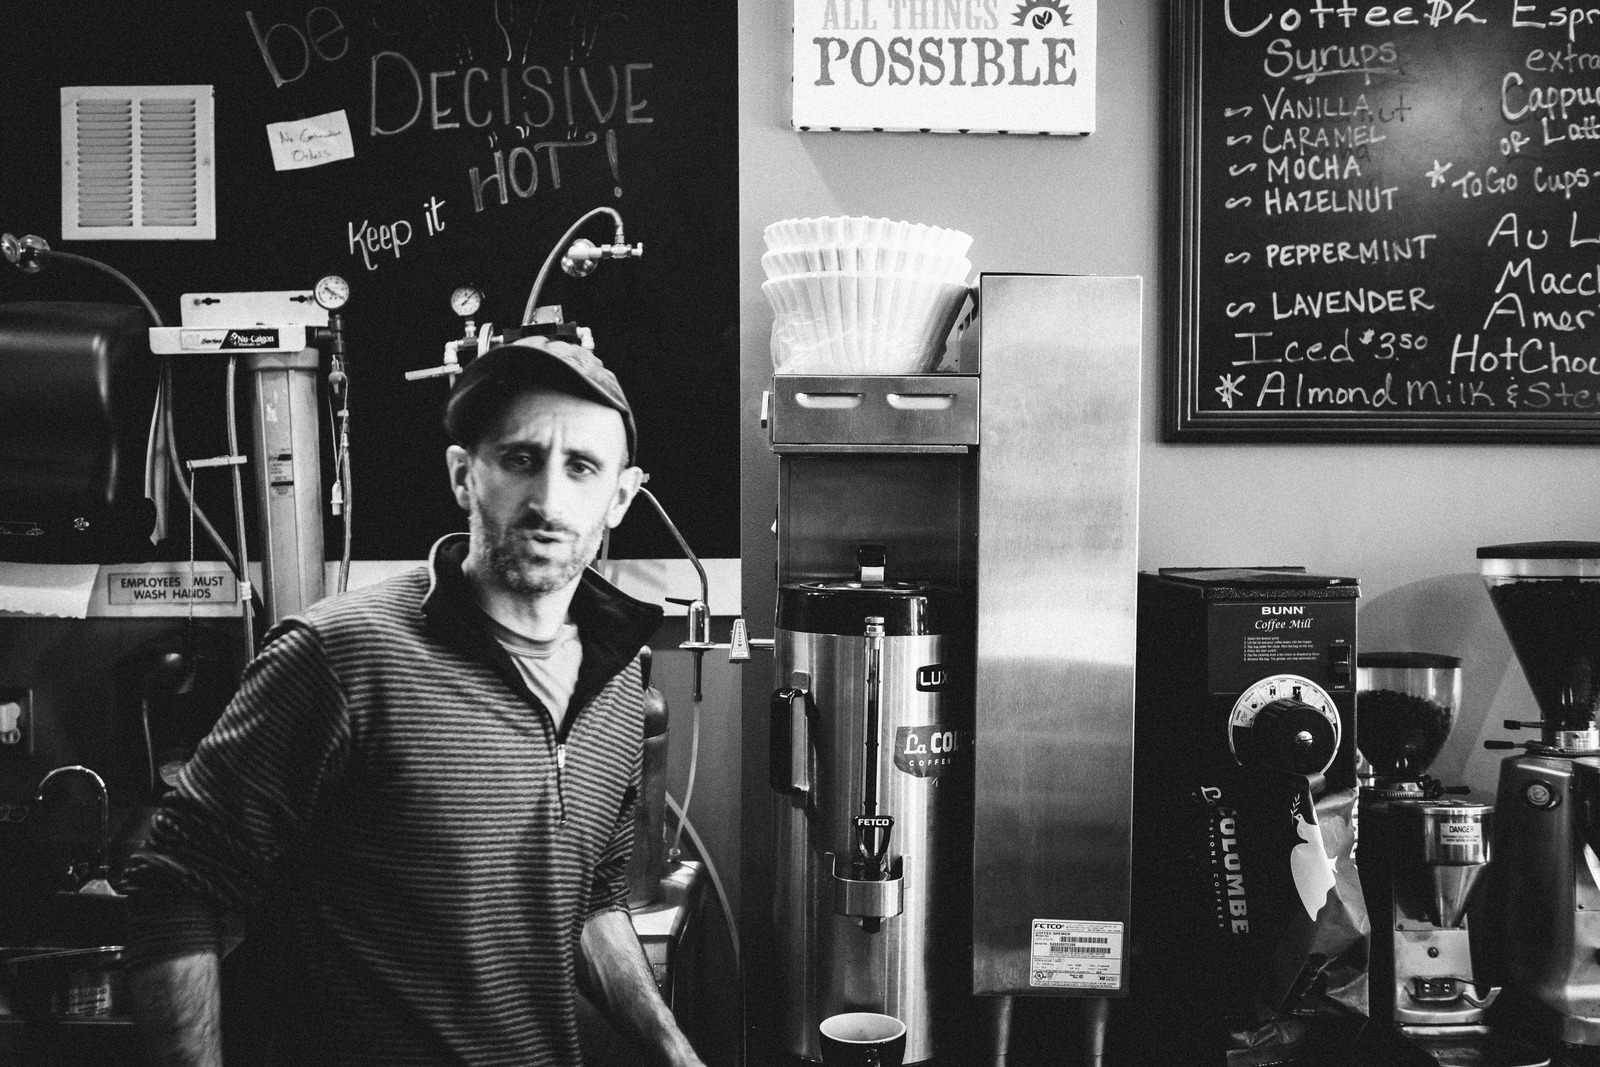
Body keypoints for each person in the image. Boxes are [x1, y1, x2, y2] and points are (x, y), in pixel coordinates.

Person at [124, 337, 707, 1067]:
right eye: (521, 458)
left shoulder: (617, 682)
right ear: (465, 475)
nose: (550, 500)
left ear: (620, 495)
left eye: (582, 467)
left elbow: (590, 901)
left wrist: (674, 1048)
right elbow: (175, 882)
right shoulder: (339, 657)